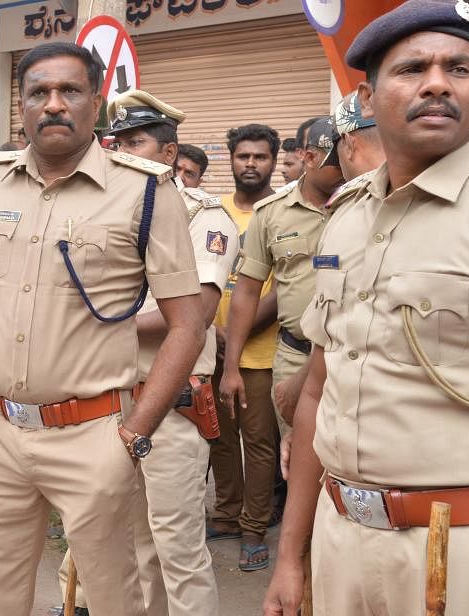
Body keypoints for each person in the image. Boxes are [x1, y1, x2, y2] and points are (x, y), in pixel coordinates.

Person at [264, 2, 469, 614]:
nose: (437, 82)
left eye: (458, 69)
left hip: (461, 551)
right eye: (412, 68)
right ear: (366, 97)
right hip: (339, 540)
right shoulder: (345, 215)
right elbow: (317, 395)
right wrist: (292, 556)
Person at [0, 42, 204, 616]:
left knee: (112, 598)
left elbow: (188, 324)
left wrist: (135, 434)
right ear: (20, 107)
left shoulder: (147, 190)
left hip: (95, 432)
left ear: (96, 104)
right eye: (39, 93)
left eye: (70, 91)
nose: (54, 104)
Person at [67, 89, 237, 614]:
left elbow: (195, 316)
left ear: (169, 154)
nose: (120, 151)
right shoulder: (105, 214)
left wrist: (90, 328)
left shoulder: (205, 219)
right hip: (109, 402)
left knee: (179, 550)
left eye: (135, 142)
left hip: (170, 409)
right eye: (115, 142)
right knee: (135, 546)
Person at [221, 118, 344, 451]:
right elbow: (246, 292)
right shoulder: (272, 214)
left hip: (349, 357)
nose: (342, 167)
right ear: (307, 156)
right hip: (294, 356)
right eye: (331, 159)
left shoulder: (363, 204)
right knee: (295, 452)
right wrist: (231, 367)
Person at [205, 123, 281, 571]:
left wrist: (233, 337)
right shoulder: (213, 212)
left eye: (260, 157)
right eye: (243, 156)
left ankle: (255, 529)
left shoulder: (279, 211)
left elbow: (282, 289)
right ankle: (228, 515)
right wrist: (210, 336)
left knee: (258, 443)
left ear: (273, 161)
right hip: (210, 350)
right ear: (230, 160)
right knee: (219, 439)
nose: (251, 164)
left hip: (258, 353)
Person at [322, 92, 386, 181]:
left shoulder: (351, 193)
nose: (340, 170)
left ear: (348, 145)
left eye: (338, 158)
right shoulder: (408, 184)